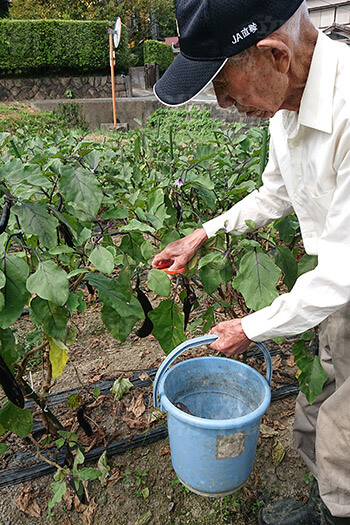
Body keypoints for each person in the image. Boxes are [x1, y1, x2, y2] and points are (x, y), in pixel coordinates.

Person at [151, 1, 350, 524]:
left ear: (274, 55)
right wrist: (203, 232)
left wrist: (251, 327)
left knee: (346, 433)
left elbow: (339, 272)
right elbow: (276, 192)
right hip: (335, 294)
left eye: (223, 84)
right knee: (321, 397)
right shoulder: (287, 104)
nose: (222, 102)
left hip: (341, 281)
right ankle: (324, 503)